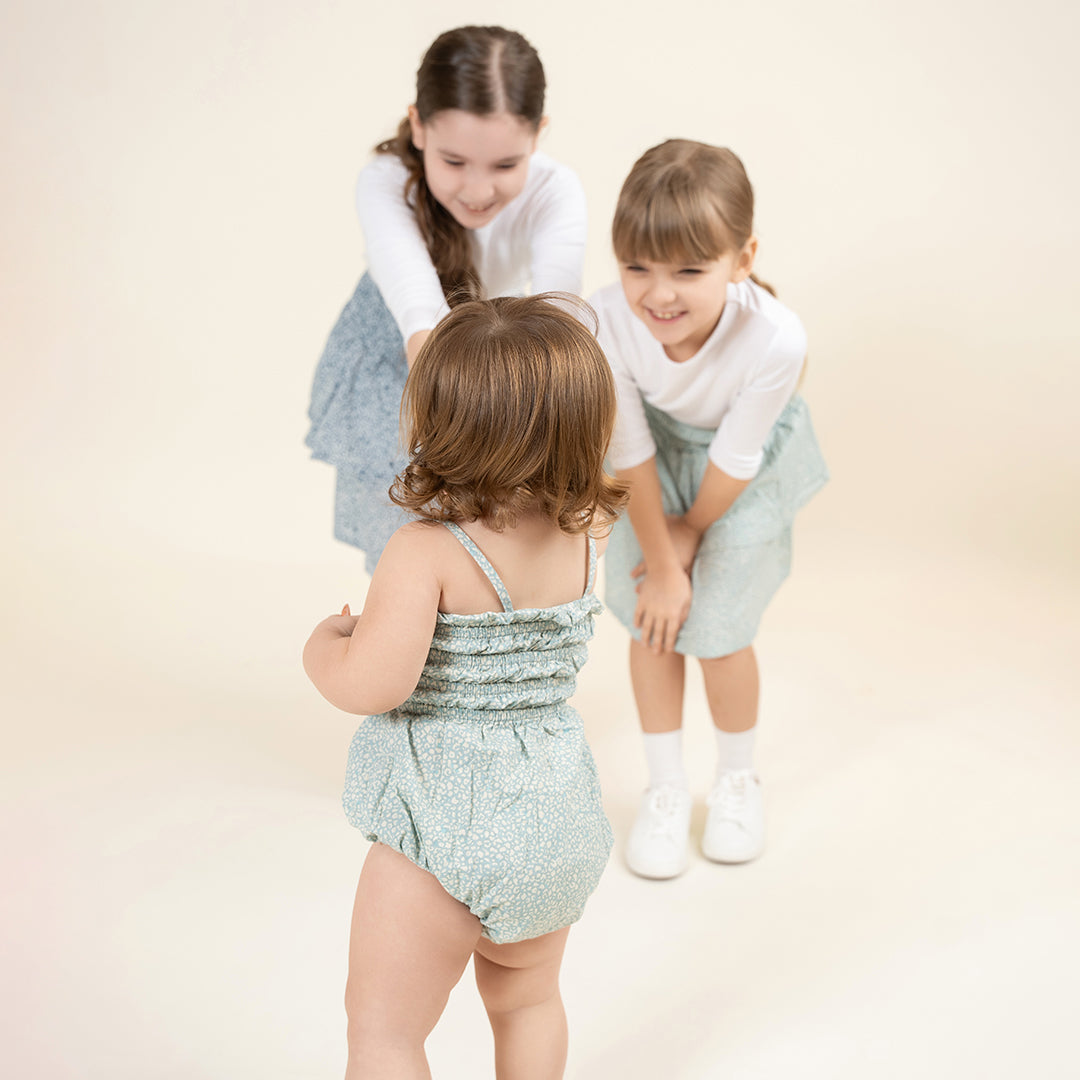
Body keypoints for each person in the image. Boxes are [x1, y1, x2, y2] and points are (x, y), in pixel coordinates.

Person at [303, 295, 628, 1079]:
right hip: (555, 820)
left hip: (449, 824)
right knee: (528, 1004)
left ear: (442, 427)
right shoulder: (588, 528)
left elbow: (375, 684)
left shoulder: (425, 551)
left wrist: (325, 646)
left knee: (385, 1035)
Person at [589, 140, 829, 880]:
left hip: (738, 474)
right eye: (638, 267)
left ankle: (736, 779)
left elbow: (737, 457)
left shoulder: (775, 339)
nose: (659, 295)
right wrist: (662, 561)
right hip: (648, 467)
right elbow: (628, 449)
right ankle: (665, 788)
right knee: (652, 621)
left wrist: (694, 532)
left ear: (742, 258)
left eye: (690, 271)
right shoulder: (604, 320)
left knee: (719, 631)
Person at [306, 25, 587, 575]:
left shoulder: (556, 192)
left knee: (499, 549)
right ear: (418, 126)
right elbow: (423, 326)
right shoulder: (385, 182)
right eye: (454, 162)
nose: (479, 191)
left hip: (497, 363)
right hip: (408, 364)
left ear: (538, 135)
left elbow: (561, 326)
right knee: (409, 553)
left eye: (506, 166)